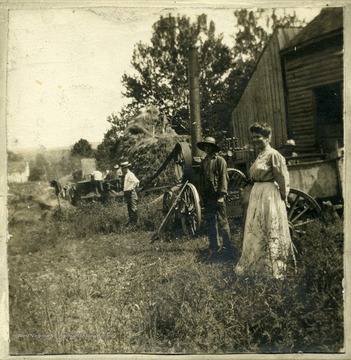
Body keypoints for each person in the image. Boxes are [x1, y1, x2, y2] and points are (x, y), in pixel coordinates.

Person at [235, 123, 295, 279]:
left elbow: (282, 177)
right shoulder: (260, 155)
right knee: (257, 227)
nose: (255, 140)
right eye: (253, 137)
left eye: (259, 137)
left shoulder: (274, 155)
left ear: (268, 138)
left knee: (269, 226)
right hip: (257, 193)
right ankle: (257, 265)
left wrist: (283, 196)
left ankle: (273, 268)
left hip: (269, 195)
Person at [197, 136, 234, 257]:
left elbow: (224, 177)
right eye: (205, 146)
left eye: (209, 146)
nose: (207, 148)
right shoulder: (204, 162)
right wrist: (202, 197)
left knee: (222, 222)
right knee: (210, 222)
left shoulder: (220, 160)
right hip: (207, 197)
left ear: (213, 148)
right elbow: (202, 180)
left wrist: (221, 195)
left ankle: (227, 248)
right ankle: (214, 246)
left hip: (217, 196)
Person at [120, 161, 140, 226]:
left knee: (133, 209)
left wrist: (132, 188)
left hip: (131, 193)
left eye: (123, 168)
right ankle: (132, 223)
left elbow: (137, 182)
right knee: (130, 209)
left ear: (126, 168)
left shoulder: (130, 174)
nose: (122, 170)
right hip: (127, 194)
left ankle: (137, 224)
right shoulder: (126, 175)